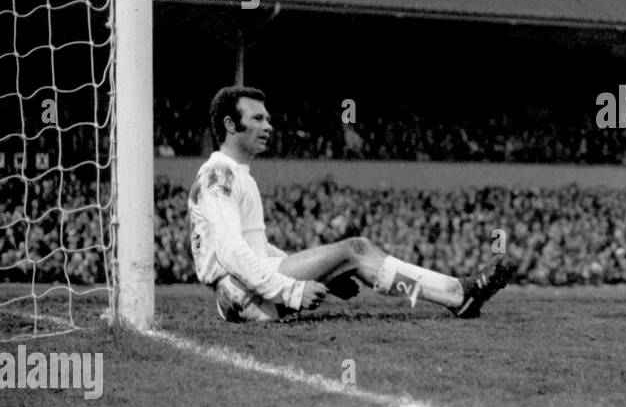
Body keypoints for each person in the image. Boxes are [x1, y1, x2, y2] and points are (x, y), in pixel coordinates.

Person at [188, 86, 512, 323]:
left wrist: (321, 271)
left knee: (353, 255)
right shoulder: (218, 174)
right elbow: (230, 252)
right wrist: (291, 291)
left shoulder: (235, 174)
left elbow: (254, 247)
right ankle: (458, 294)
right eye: (257, 118)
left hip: (245, 290)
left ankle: (458, 295)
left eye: (268, 118)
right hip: (240, 293)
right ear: (231, 125)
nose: (268, 126)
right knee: (355, 248)